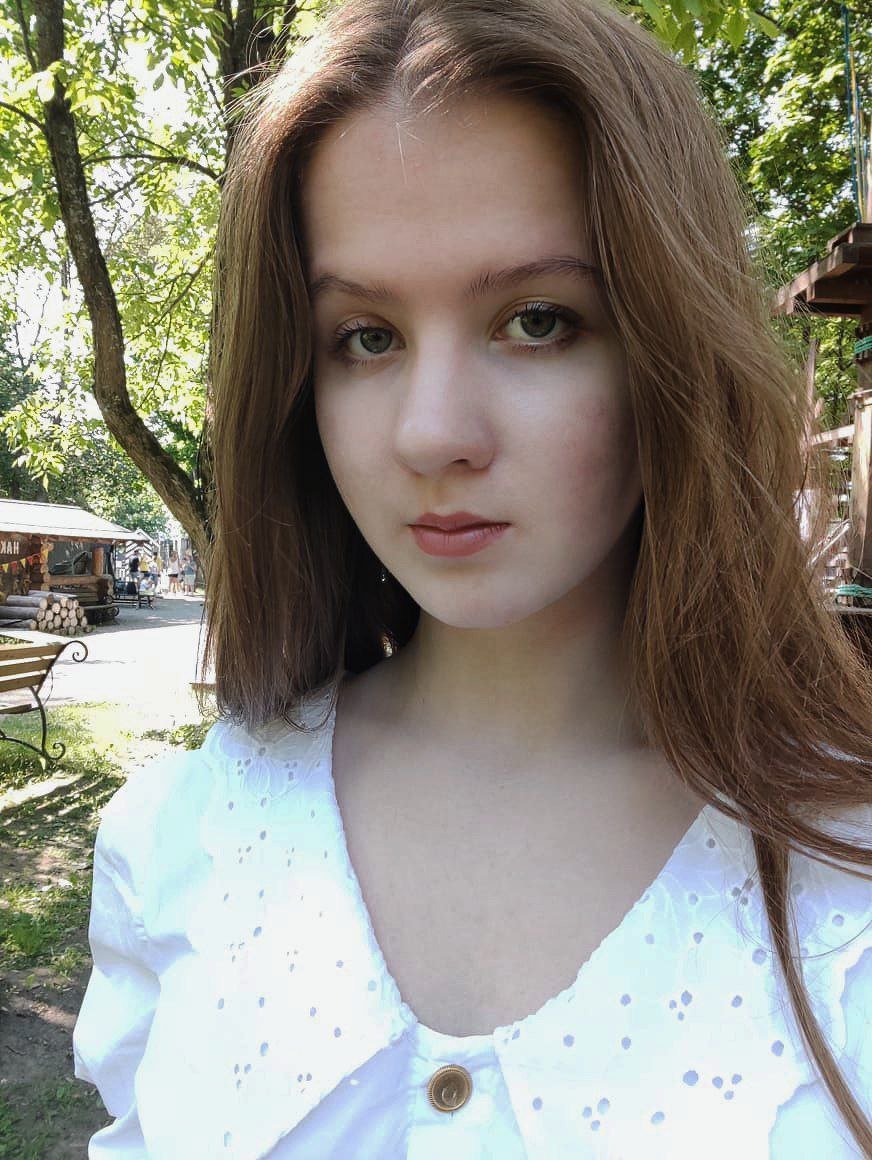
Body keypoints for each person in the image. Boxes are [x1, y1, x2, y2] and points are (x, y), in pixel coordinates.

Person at [72, 1, 871, 1156]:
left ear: (671, 347)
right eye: (365, 336)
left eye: (535, 321)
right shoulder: (179, 845)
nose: (431, 431)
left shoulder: (842, 867)